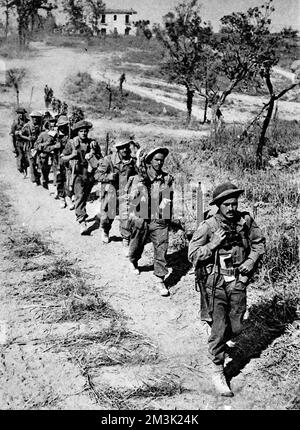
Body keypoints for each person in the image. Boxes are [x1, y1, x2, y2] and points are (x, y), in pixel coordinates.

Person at [188, 182, 266, 397]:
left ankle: (216, 328)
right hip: (215, 285)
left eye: (234, 204)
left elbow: (259, 243)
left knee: (237, 327)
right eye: (227, 204)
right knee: (220, 331)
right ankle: (217, 370)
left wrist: (250, 261)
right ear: (218, 205)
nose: (231, 208)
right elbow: (192, 256)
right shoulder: (208, 226)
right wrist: (212, 245)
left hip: (239, 281)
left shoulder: (245, 221)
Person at [127, 147, 173, 297]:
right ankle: (133, 260)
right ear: (149, 161)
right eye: (156, 160)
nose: (159, 162)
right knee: (137, 244)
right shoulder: (139, 177)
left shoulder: (167, 179)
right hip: (142, 217)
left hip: (158, 219)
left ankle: (160, 278)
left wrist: (162, 209)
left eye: (161, 160)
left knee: (161, 247)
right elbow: (132, 199)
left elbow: (168, 197)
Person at [61, 120, 102, 235]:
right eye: (81, 131)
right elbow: (63, 158)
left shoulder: (93, 143)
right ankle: (82, 220)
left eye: (85, 131)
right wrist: (72, 155)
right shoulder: (72, 143)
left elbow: (101, 158)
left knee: (84, 196)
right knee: (79, 196)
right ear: (77, 132)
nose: (84, 133)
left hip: (89, 174)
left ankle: (80, 213)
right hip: (77, 173)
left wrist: (94, 154)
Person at [95, 140, 138, 249]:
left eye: (126, 147)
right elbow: (97, 175)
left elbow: (137, 174)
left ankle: (125, 238)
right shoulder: (108, 160)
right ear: (118, 149)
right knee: (107, 216)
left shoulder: (132, 161)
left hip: (125, 192)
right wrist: (108, 177)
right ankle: (105, 230)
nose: (125, 150)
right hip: (111, 191)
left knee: (126, 216)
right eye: (122, 148)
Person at [19, 111, 43, 185]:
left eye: (37, 117)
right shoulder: (27, 126)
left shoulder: (40, 126)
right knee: (32, 163)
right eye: (33, 117)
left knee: (38, 163)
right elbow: (20, 134)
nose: (35, 119)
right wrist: (27, 138)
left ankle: (37, 176)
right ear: (31, 118)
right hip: (29, 147)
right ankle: (34, 180)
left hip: (38, 147)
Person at [34, 114, 57, 189]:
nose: (53, 128)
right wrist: (46, 144)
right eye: (51, 126)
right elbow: (36, 145)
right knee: (44, 170)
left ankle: (55, 184)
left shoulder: (57, 135)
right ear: (48, 126)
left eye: (54, 126)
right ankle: (43, 180)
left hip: (54, 155)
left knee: (55, 169)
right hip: (44, 156)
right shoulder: (43, 134)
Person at [10, 107, 29, 177]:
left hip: (26, 142)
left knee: (26, 157)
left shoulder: (27, 122)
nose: (20, 115)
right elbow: (12, 135)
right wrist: (13, 146)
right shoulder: (15, 123)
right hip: (18, 142)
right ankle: (20, 169)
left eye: (22, 113)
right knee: (20, 156)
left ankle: (25, 170)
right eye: (19, 113)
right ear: (17, 114)